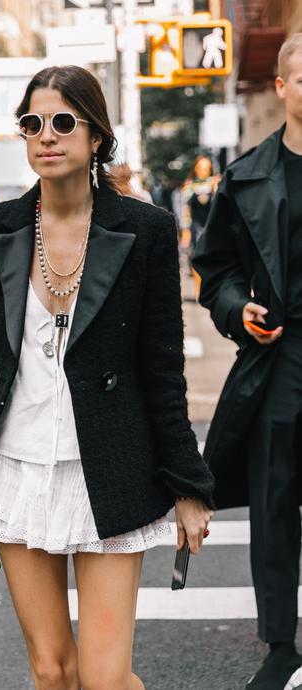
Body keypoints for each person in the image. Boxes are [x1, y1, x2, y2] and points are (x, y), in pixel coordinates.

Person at [0, 65, 214, 690]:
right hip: (16, 469)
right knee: (53, 671)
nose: (46, 136)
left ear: (95, 138)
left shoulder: (145, 230)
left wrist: (189, 485)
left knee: (106, 680)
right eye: (32, 123)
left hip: (111, 468)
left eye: (63, 122)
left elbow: (163, 372)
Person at [193, 33, 302, 690]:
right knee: (274, 502)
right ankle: (280, 644)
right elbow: (215, 270)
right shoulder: (246, 176)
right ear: (283, 87)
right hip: (281, 356)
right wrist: (238, 312)